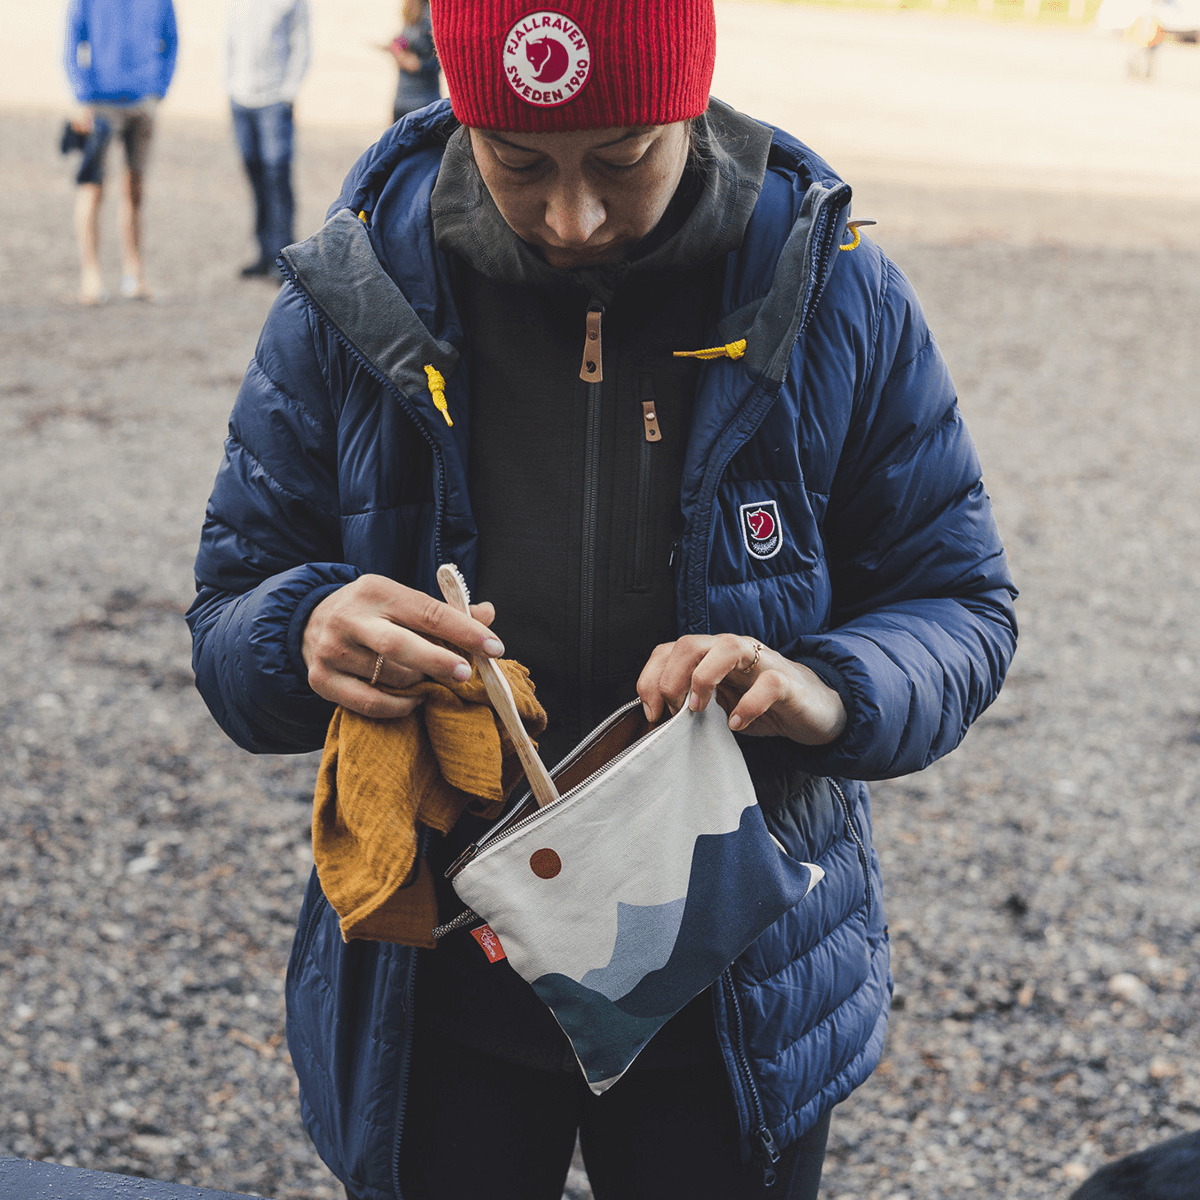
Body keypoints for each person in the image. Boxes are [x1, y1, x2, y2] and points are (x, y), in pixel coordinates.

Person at [186, 2, 1018, 1197]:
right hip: (443, 997)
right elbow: (230, 609)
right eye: (516, 162)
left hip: (733, 993)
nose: (572, 219)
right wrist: (302, 627)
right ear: (459, 107)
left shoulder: (834, 292)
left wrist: (824, 688)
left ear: (693, 96)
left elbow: (961, 601)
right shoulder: (351, 298)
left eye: (624, 157)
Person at [62, 0, 178, 304]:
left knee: (135, 189)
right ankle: (91, 275)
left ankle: (134, 273)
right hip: (98, 103)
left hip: (142, 102)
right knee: (93, 188)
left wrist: (160, 88)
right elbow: (72, 41)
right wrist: (81, 94)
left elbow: (171, 39)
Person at [225, 0, 312, 280]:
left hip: (274, 99)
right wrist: (228, 84)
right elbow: (230, 39)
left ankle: (282, 255)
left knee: (277, 175)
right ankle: (264, 252)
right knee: (253, 172)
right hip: (241, 97)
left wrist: (289, 92)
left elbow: (302, 44)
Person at [381, 0, 441, 126]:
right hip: (403, 99)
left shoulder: (429, 15)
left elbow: (433, 62)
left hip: (423, 103)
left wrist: (403, 57)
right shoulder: (412, 12)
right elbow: (406, 39)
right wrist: (396, 44)